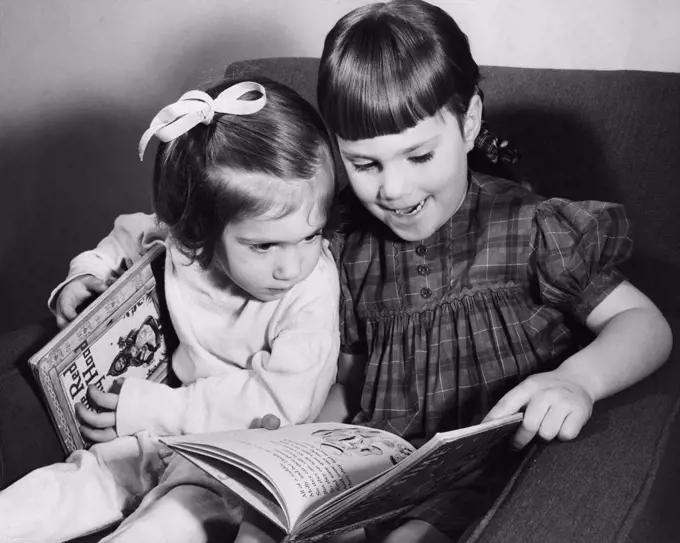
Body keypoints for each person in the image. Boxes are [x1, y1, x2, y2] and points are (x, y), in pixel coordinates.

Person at [256, 1, 670, 542]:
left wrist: (576, 382)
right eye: (364, 164)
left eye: (419, 157)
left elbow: (645, 324)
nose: (394, 189)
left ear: (469, 122)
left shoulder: (530, 227)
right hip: (381, 471)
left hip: (486, 467)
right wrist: (300, 444)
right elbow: (350, 383)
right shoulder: (350, 250)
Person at [0, 76, 340, 543]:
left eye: (311, 234)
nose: (292, 265)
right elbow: (127, 234)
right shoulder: (186, 242)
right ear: (203, 229)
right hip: (158, 426)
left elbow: (282, 402)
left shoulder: (312, 287)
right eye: (264, 245)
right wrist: (84, 274)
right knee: (71, 486)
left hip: (236, 454)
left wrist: (148, 408)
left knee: (174, 519)